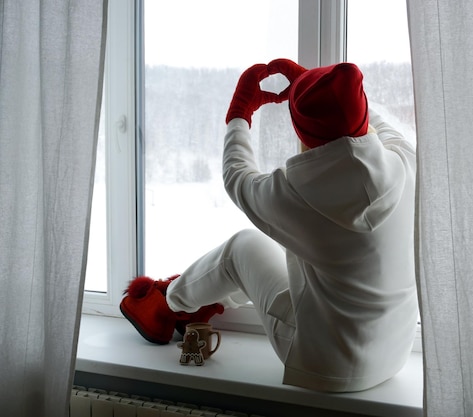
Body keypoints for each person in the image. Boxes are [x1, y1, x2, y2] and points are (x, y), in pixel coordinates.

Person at [120, 58, 418, 392]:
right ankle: (207, 300)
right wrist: (322, 87)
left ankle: (166, 307)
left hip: (327, 364)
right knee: (281, 258)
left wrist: (239, 114)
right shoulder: (406, 162)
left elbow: (237, 177)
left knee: (241, 249)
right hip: (394, 352)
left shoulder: (296, 197)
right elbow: (367, 119)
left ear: (303, 133)